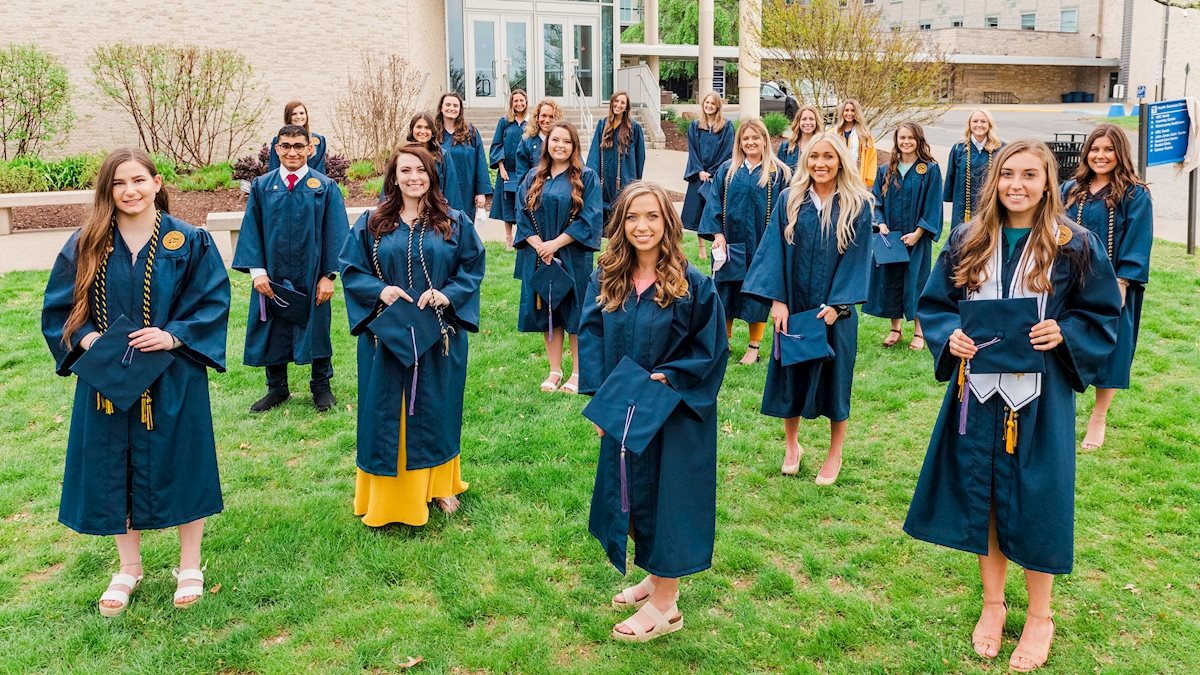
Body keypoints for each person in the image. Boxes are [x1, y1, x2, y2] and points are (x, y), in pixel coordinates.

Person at [904, 139, 1120, 671]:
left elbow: (1103, 316)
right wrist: (948, 335)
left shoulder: (1075, 243)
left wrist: (1064, 332)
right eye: (1006, 175)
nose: (1016, 185)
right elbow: (936, 305)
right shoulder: (968, 238)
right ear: (993, 181)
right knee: (987, 495)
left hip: (1041, 396)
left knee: (1037, 501)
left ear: (1048, 181)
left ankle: (1041, 615)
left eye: (1029, 175)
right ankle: (993, 605)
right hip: (977, 392)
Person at [41, 148, 231, 616]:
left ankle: (190, 565)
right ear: (108, 191)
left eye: (138, 181)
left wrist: (172, 335)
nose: (130, 191)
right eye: (119, 184)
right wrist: (87, 343)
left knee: (184, 462)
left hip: (173, 372)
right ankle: (129, 566)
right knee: (113, 468)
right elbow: (61, 310)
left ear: (157, 182)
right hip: (110, 380)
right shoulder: (86, 244)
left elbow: (211, 301)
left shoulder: (188, 242)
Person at [578, 181, 729, 642]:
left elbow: (712, 349)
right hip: (625, 407)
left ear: (668, 222)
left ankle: (668, 604)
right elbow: (592, 338)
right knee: (635, 493)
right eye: (632, 217)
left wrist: (673, 378)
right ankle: (654, 576)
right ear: (620, 224)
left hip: (675, 413)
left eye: (652, 217)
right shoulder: (607, 277)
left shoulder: (692, 284)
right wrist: (604, 403)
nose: (642, 226)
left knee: (670, 498)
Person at [340, 144, 486, 525]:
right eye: (405, 170)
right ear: (394, 176)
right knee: (384, 409)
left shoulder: (454, 222)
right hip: (385, 336)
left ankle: (439, 486)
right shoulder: (372, 223)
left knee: (436, 406)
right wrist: (380, 291)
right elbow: (352, 269)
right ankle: (389, 495)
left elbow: (472, 267)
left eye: (421, 170)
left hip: (438, 335)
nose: (414, 177)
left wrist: (447, 294)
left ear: (432, 175)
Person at [742, 131, 873, 483]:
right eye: (814, 157)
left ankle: (834, 454)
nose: (820, 164)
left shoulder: (857, 204)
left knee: (836, 380)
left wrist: (839, 305)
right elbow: (772, 251)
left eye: (828, 157)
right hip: (795, 304)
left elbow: (858, 259)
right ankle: (792, 445)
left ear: (840, 160)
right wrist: (777, 301)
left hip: (836, 312)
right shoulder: (790, 199)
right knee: (791, 375)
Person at [233, 124, 349, 413]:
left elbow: (336, 232)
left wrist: (328, 275)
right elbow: (252, 229)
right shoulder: (262, 186)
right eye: (286, 146)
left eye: (299, 146)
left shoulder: (323, 186)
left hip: (312, 274)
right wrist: (257, 272)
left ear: (310, 148)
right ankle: (277, 388)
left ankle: (321, 385)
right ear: (277, 148)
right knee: (272, 325)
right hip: (272, 272)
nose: (292, 151)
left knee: (316, 326)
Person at [1061, 124, 1153, 450]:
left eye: (1108, 150)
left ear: (1120, 153)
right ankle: (1061, 411)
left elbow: (1138, 240)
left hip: (1115, 283)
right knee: (1066, 341)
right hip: (1069, 281)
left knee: (1111, 348)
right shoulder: (1071, 189)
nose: (1100, 155)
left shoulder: (1134, 193)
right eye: (1095, 149)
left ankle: (1098, 416)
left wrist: (1124, 282)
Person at [515, 121, 603, 394]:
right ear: (547, 144)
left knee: (574, 314)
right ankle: (554, 370)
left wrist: (555, 244)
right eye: (555, 140)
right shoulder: (533, 177)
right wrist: (540, 245)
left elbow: (590, 217)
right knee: (548, 311)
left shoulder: (586, 177)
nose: (560, 146)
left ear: (574, 145)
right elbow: (522, 214)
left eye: (566, 141)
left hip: (572, 254)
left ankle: (577, 372)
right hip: (540, 255)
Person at [699, 118, 791, 366]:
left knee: (757, 295)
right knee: (725, 292)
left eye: (755, 138)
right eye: (745, 139)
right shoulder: (728, 170)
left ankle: (754, 347)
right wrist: (717, 235)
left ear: (764, 141)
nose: (750, 142)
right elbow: (714, 203)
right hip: (730, 243)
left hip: (763, 245)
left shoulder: (778, 173)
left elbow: (787, 213)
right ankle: (724, 342)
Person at [865, 122, 944, 350]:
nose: (906, 142)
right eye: (902, 138)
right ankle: (895, 329)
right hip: (891, 237)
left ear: (918, 140)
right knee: (891, 280)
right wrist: (880, 224)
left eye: (911, 138)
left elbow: (933, 205)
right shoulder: (886, 170)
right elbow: (876, 203)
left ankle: (919, 332)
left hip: (916, 237)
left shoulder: (929, 170)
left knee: (916, 281)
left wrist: (919, 233)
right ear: (896, 141)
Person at [680, 92, 734, 260]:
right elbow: (692, 151)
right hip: (699, 175)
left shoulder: (726, 126)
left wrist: (713, 172)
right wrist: (699, 171)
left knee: (715, 209)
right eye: (706, 102)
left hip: (717, 176)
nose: (709, 105)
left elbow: (727, 151)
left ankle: (716, 243)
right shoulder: (695, 126)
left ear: (718, 106)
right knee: (698, 211)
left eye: (712, 103)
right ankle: (701, 247)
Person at [586, 91, 646, 222]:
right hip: (605, 176)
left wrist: (636, 180)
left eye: (622, 103)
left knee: (622, 208)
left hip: (624, 176)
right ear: (612, 102)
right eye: (616, 101)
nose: (618, 105)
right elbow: (594, 152)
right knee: (604, 207)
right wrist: (592, 175)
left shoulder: (633, 128)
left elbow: (640, 156)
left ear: (626, 108)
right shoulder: (603, 125)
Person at [434, 92, 491, 222]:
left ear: (460, 109)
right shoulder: (433, 133)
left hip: (466, 188)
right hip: (440, 189)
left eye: (455, 105)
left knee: (464, 224)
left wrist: (481, 192)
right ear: (441, 108)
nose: (451, 108)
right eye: (448, 105)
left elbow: (480, 162)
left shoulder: (471, 132)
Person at [945, 109, 1005, 230]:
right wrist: (949, 195)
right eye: (975, 121)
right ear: (970, 124)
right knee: (962, 236)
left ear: (989, 124)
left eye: (983, 121)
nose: (979, 125)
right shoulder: (959, 148)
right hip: (963, 205)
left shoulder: (1001, 148)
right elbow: (951, 175)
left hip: (991, 202)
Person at [488, 89, 529, 249]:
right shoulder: (505, 122)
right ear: (512, 103)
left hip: (524, 171)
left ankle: (521, 236)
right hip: (507, 170)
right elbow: (497, 144)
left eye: (521, 100)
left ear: (526, 102)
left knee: (523, 203)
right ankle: (508, 237)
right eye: (515, 101)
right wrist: (501, 168)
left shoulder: (530, 122)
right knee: (507, 204)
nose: (519, 103)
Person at [267, 100, 327, 173]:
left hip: (311, 182)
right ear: (288, 116)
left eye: (301, 113)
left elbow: (320, 168)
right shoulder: (278, 140)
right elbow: (274, 167)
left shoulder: (319, 140)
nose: (298, 117)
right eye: (294, 114)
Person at [834, 99, 878, 188]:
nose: (849, 113)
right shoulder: (834, 133)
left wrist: (869, 179)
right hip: (837, 178)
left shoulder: (864, 135)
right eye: (846, 110)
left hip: (857, 178)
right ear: (842, 112)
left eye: (853, 110)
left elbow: (871, 157)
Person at [776, 104, 825, 173]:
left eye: (811, 119)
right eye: (804, 119)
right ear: (798, 122)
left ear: (816, 122)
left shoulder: (823, 145)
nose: (808, 122)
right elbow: (778, 173)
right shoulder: (786, 146)